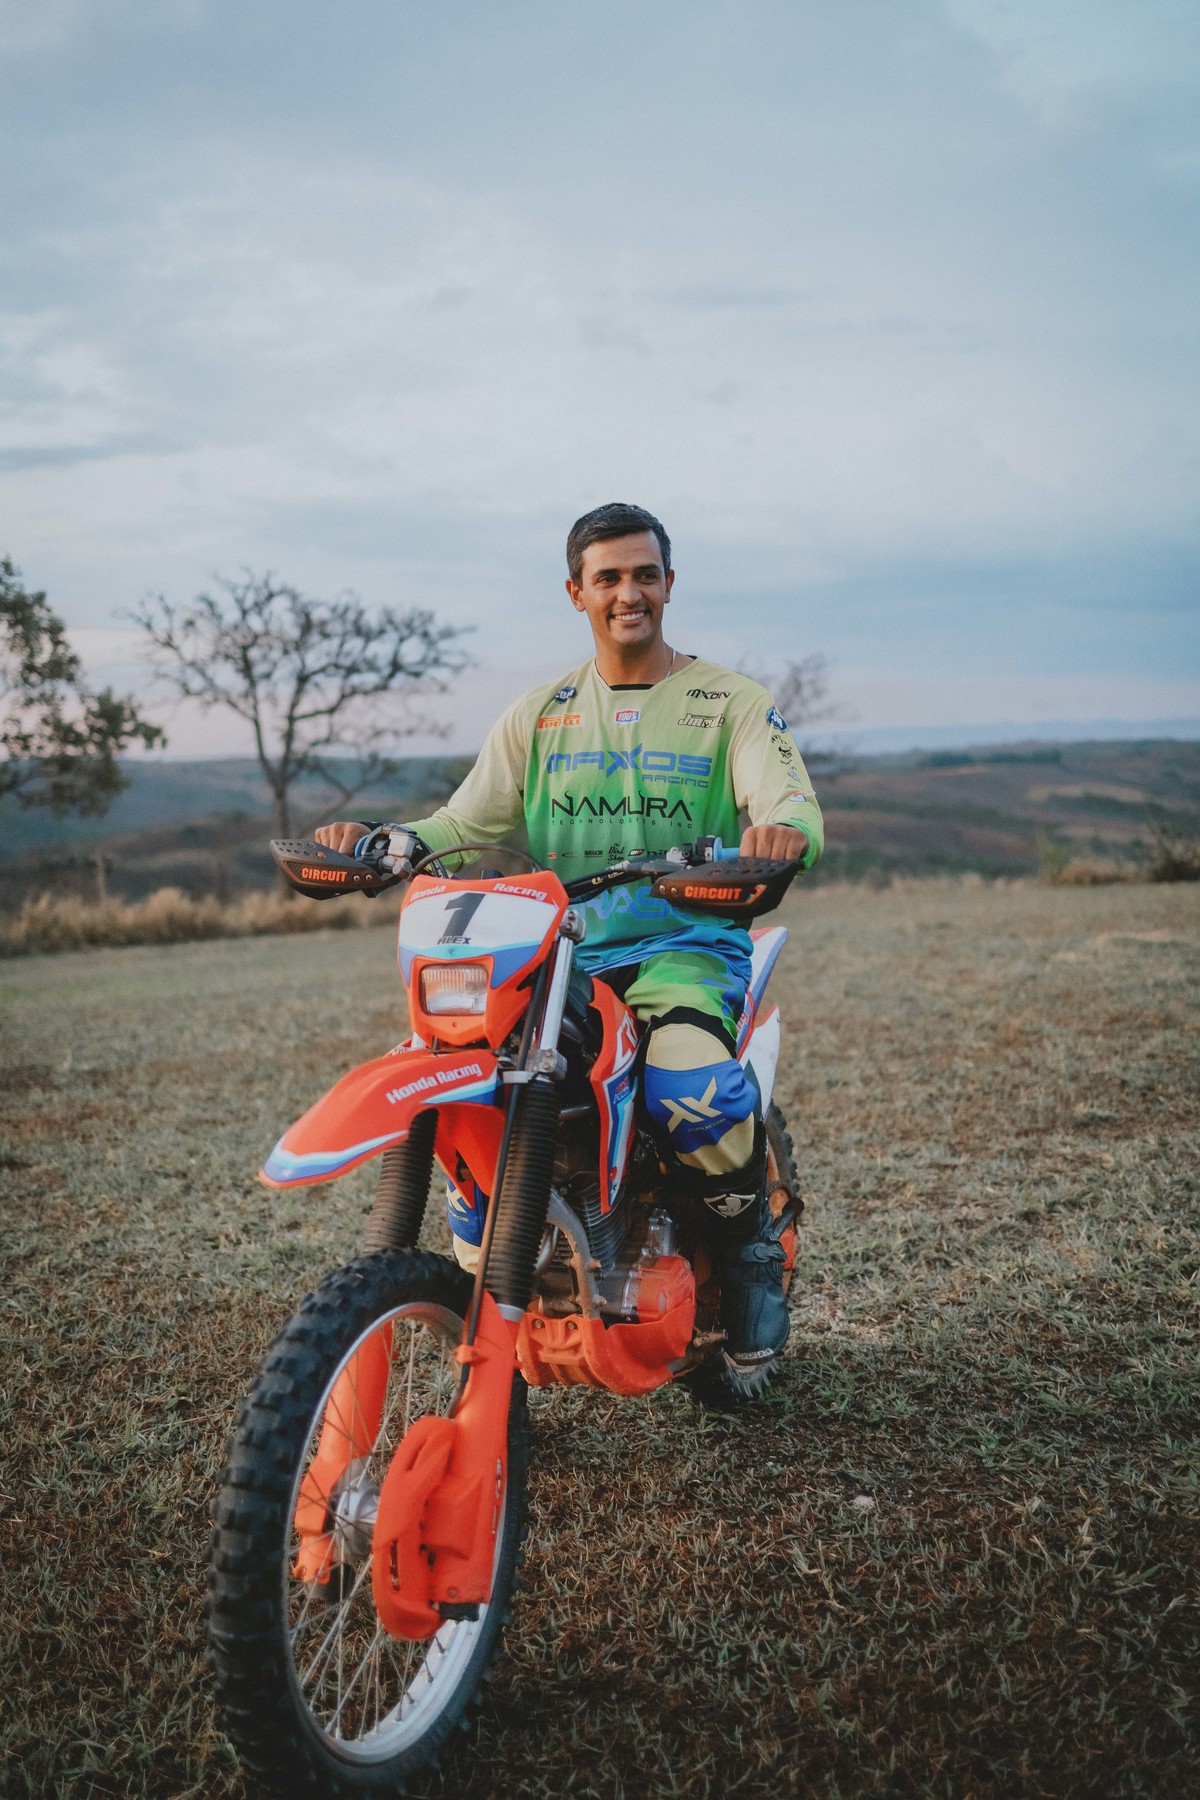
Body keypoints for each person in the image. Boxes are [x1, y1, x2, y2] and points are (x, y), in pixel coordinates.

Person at [317, 502, 823, 1376]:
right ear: (576, 593)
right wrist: (384, 840)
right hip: (560, 958)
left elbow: (787, 800)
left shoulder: (731, 703)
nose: (629, 593)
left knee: (689, 1090)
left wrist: (781, 831)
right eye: (608, 578)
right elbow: (460, 823)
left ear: (669, 585)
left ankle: (746, 1252)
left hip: (683, 947)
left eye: (645, 575)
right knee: (474, 1088)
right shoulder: (540, 714)